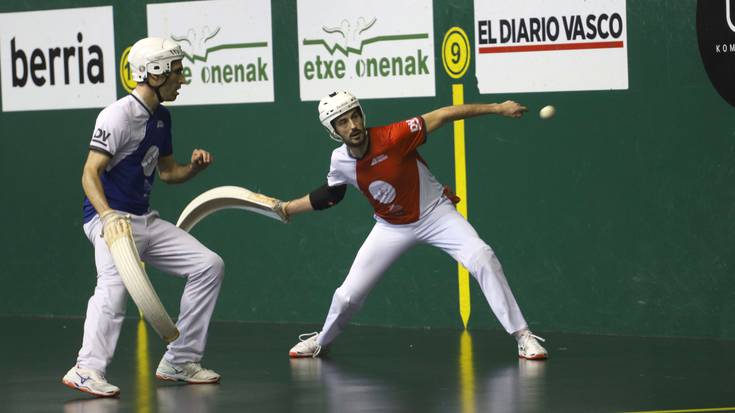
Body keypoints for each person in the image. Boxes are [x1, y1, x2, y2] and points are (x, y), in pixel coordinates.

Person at [280, 91, 548, 360]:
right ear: (333, 130)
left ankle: (523, 336)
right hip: (391, 227)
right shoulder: (340, 160)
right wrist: (289, 208)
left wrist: (497, 107)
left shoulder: (394, 136)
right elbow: (331, 194)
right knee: (347, 296)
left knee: (482, 256)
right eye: (343, 122)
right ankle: (322, 341)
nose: (353, 126)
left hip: (436, 215)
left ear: (362, 114)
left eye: (355, 116)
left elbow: (444, 114)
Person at [62, 37, 225, 398]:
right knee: (114, 285)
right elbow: (89, 173)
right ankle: (87, 368)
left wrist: (193, 170)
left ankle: (180, 360)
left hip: (144, 219)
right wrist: (107, 217)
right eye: (176, 72)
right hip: (110, 221)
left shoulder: (162, 117)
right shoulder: (117, 115)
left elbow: (167, 173)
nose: (182, 79)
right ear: (153, 74)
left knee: (208, 265)